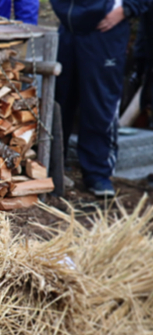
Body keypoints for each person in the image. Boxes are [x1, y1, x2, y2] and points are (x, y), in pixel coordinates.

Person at [51, 0, 152, 196]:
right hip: (67, 28)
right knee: (60, 100)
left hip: (105, 31)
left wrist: (126, 9)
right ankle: (54, 165)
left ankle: (97, 173)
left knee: (99, 102)